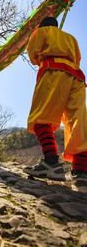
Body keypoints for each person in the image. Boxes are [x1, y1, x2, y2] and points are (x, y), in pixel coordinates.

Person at [23, 16, 87, 192]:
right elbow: (78, 59)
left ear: (42, 25)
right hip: (77, 77)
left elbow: (34, 56)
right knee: (78, 123)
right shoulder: (71, 38)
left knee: (40, 117)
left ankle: (51, 163)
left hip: (53, 71)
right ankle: (81, 171)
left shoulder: (41, 32)